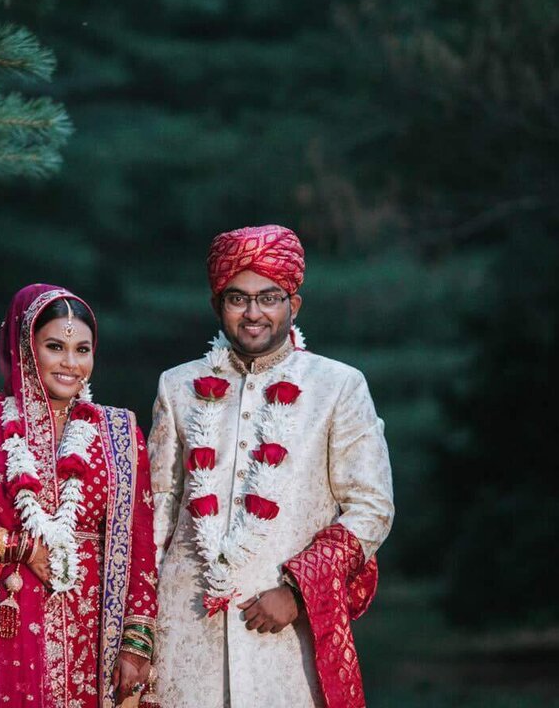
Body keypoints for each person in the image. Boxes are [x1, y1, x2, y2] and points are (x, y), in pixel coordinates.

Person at [147, 225, 394, 708]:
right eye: (238, 298)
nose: (254, 312)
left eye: (269, 297)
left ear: (293, 305)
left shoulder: (338, 387)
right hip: (184, 631)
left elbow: (371, 507)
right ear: (219, 304)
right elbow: (157, 509)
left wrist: (299, 592)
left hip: (285, 636)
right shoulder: (177, 387)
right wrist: (139, 626)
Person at [0, 284, 158, 708]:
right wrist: (20, 547)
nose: (71, 364)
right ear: (25, 347)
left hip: (94, 634)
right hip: (2, 619)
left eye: (82, 350)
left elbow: (141, 545)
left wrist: (137, 643)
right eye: (55, 346)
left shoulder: (121, 434)